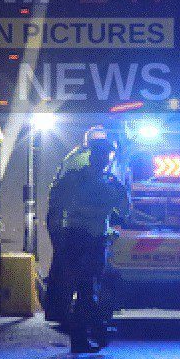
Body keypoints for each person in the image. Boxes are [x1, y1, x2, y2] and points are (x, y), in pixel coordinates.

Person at [49, 137, 130, 353]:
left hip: (75, 238)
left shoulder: (73, 179)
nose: (104, 159)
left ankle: (86, 335)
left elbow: (55, 206)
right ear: (101, 157)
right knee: (88, 289)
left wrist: (57, 239)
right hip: (92, 240)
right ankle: (85, 337)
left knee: (80, 289)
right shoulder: (109, 183)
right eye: (104, 155)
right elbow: (125, 211)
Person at [43, 125, 114, 322]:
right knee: (77, 274)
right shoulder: (85, 160)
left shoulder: (76, 156)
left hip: (65, 221)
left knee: (65, 269)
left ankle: (61, 313)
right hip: (72, 225)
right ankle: (70, 317)